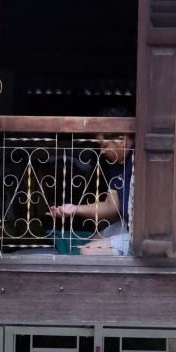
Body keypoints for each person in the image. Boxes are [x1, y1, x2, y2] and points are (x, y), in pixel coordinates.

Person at [47, 107, 134, 255]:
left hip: (145, 234)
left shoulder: (143, 157)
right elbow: (111, 206)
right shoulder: (118, 164)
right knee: (95, 238)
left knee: (88, 251)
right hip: (129, 225)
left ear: (121, 140)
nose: (101, 151)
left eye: (103, 145)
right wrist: (75, 209)